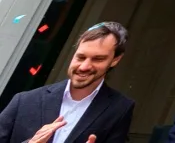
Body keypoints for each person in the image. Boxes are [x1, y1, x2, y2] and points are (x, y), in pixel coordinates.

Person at [0, 22, 134, 143]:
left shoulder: (120, 109)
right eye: (80, 57)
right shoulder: (24, 101)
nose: (84, 66)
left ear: (115, 60)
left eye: (98, 59)